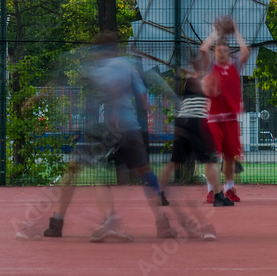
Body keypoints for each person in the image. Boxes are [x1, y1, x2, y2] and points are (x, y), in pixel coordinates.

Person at [16, 32, 179, 242]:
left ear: (101, 51)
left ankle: (58, 223)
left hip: (103, 129)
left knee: (76, 171)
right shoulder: (127, 65)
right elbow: (144, 100)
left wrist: (35, 97)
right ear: (114, 48)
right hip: (128, 127)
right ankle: (162, 223)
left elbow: (61, 84)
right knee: (146, 174)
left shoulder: (96, 67)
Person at [157, 48, 232, 236]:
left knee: (174, 162)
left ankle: (159, 193)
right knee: (209, 161)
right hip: (197, 121)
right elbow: (214, 91)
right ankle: (218, 196)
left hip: (182, 122)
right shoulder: (203, 78)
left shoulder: (191, 79)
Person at [201, 17, 249, 203]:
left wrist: (236, 31)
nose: (221, 52)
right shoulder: (210, 66)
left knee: (230, 156)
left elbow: (244, 51)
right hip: (212, 118)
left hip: (230, 118)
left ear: (228, 51)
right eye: (218, 50)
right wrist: (215, 33)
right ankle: (211, 190)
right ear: (215, 52)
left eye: (224, 49)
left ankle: (229, 188)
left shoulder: (234, 66)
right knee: (212, 157)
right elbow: (203, 49)